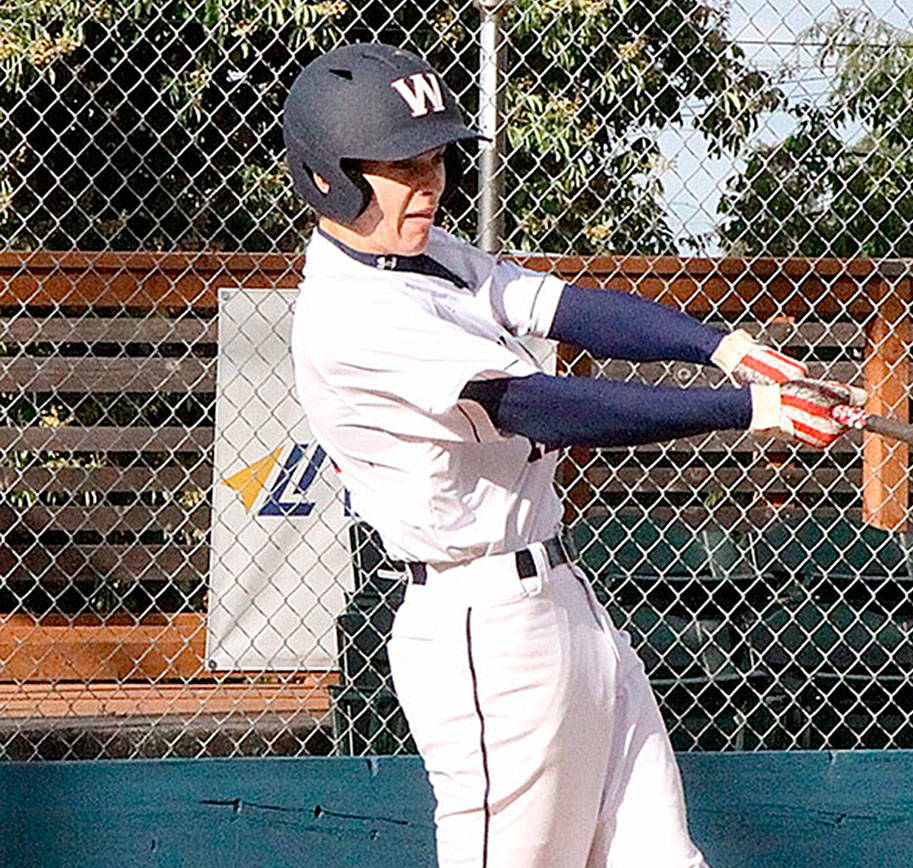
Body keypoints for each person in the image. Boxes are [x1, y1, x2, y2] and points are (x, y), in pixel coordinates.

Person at [283, 42, 863, 868]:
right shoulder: (354, 314)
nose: (430, 182)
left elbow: (567, 308)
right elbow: (547, 408)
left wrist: (727, 349)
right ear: (329, 176)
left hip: (563, 601)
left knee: (662, 857)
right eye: (401, 166)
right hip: (482, 627)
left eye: (436, 159)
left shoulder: (427, 257)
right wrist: (753, 410)